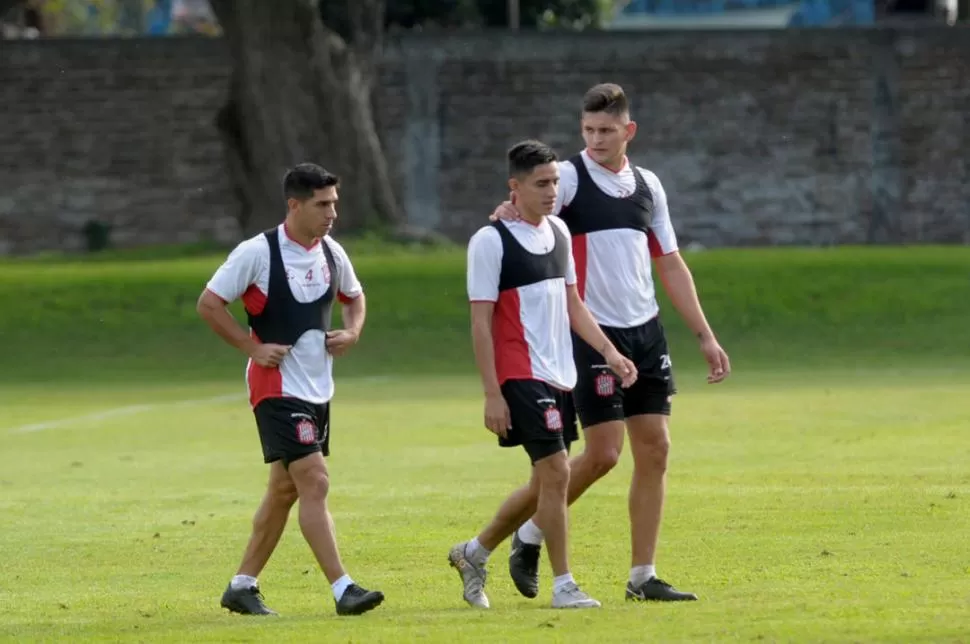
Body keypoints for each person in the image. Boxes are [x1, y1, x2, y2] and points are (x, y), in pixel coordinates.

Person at [490, 84, 731, 602]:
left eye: (606, 130)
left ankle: (642, 577)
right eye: (588, 130)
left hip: (646, 332)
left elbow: (669, 261)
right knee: (603, 455)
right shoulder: (571, 178)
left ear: (629, 131)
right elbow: (535, 210)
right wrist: (508, 211)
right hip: (594, 337)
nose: (596, 140)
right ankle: (530, 533)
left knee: (657, 449)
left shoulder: (648, 185)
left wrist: (705, 336)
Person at [448, 140, 639, 610]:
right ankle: (565, 585)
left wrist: (610, 353)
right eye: (542, 183)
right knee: (556, 473)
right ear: (515, 188)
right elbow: (479, 322)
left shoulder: (557, 231)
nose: (553, 191)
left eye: (555, 181)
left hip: (560, 375)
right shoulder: (490, 241)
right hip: (520, 375)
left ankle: (474, 552)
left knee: (544, 483)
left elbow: (574, 303)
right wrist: (492, 394)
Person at [197, 163, 384, 617]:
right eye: (322, 205)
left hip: (318, 389)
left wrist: (353, 332)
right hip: (275, 388)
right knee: (315, 480)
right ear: (294, 205)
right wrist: (250, 347)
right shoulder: (256, 253)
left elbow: (354, 297)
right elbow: (209, 303)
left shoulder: (332, 253)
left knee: (284, 491)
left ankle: (242, 586)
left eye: (334, 203)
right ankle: (344, 589)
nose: (332, 213)